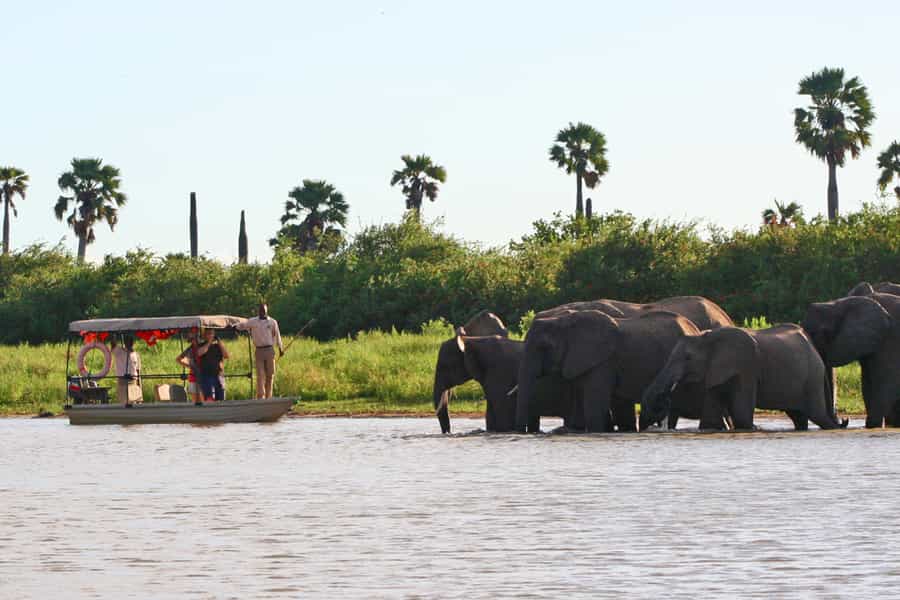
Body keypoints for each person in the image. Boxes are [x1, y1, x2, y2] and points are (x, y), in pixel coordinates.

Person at [236, 303, 284, 398]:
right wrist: (234, 326)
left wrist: (280, 348)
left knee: (270, 374)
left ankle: (268, 396)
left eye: (264, 311)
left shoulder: (272, 322)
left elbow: (277, 336)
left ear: (267, 311)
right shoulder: (253, 321)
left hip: (270, 350)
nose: (262, 313)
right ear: (258, 311)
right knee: (260, 375)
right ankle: (260, 396)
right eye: (261, 311)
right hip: (259, 350)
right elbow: (242, 326)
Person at [196, 328, 229, 402]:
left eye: (212, 333)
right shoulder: (201, 345)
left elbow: (226, 356)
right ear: (204, 335)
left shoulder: (218, 346)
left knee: (221, 397)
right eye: (208, 334)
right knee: (208, 398)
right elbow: (200, 353)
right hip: (206, 375)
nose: (211, 335)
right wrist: (209, 343)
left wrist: (220, 343)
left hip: (218, 375)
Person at [112, 335, 142, 405]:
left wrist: (139, 388)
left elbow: (138, 371)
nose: (129, 343)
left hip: (133, 380)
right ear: (125, 342)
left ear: (132, 343)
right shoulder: (119, 351)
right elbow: (113, 345)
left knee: (133, 401)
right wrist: (114, 336)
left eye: (130, 342)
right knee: (124, 402)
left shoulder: (136, 354)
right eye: (128, 341)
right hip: (122, 380)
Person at [176, 331, 203, 404]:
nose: (194, 341)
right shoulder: (190, 349)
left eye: (195, 338)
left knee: (203, 402)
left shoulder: (203, 347)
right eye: (192, 339)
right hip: (193, 377)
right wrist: (191, 366)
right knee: (196, 403)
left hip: (203, 378)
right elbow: (178, 359)